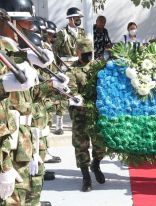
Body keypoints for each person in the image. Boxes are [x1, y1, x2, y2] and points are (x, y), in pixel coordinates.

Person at [0, 1, 67, 205]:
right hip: (7, 147)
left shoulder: (13, 51)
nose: (29, 28)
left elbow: (29, 99)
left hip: (22, 139)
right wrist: (4, 165)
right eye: (25, 23)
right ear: (9, 21)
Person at [66, 38, 106, 192]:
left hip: (97, 113)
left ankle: (96, 164)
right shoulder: (72, 70)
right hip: (80, 114)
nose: (88, 56)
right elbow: (71, 89)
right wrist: (76, 97)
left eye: (90, 53)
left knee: (100, 144)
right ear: (77, 53)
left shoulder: (98, 67)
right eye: (85, 53)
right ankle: (86, 177)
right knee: (81, 146)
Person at [54, 7, 86, 135]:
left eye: (80, 18)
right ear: (71, 19)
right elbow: (55, 50)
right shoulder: (62, 33)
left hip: (78, 65)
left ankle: (76, 123)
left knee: (77, 93)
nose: (79, 20)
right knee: (63, 94)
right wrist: (57, 67)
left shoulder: (82, 32)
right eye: (77, 18)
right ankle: (59, 124)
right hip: (65, 64)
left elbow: (84, 48)